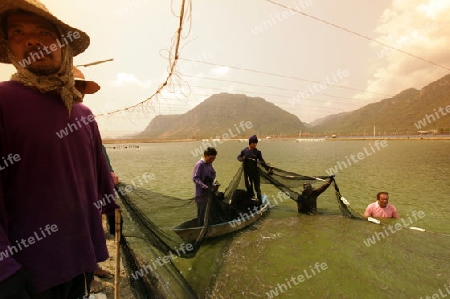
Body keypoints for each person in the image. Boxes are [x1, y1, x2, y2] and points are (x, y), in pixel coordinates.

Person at [0, 2, 116, 298]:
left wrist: (109, 209)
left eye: (44, 33)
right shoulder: (4, 101)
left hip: (80, 259)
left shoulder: (83, 115)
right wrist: (6, 271)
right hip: (30, 272)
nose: (33, 41)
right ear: (8, 46)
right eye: (18, 32)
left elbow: (98, 172)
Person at [237, 135, 272, 204]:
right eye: (255, 143)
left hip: (255, 173)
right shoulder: (244, 151)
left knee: (257, 188)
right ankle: (251, 199)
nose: (256, 145)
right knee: (249, 186)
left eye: (256, 143)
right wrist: (242, 159)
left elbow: (261, 161)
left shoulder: (257, 152)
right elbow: (238, 157)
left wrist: (267, 168)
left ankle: (260, 202)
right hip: (247, 173)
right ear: (251, 143)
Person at [192, 147, 217, 226]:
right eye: (210, 158)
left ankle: (207, 226)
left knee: (208, 211)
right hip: (201, 194)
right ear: (205, 156)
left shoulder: (209, 164)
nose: (212, 160)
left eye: (213, 159)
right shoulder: (200, 164)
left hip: (208, 193)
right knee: (201, 213)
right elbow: (195, 178)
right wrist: (205, 186)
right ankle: (200, 229)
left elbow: (213, 172)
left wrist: (212, 181)